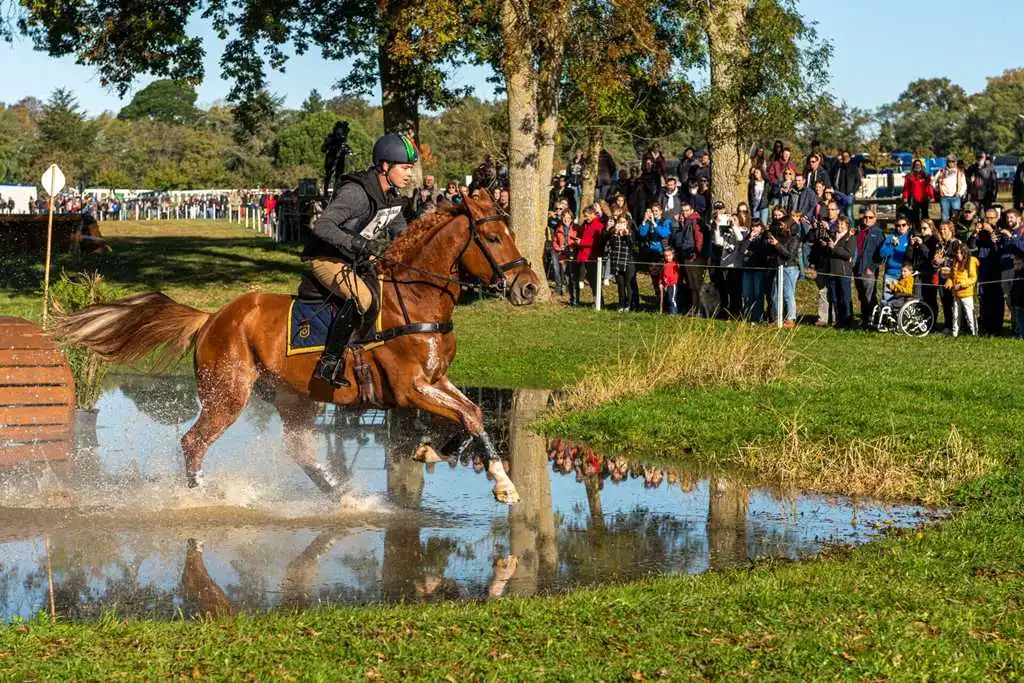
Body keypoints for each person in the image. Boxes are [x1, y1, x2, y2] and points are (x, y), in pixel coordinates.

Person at [303, 133, 417, 386]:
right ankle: (329, 363)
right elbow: (322, 226)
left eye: (411, 168)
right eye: (405, 168)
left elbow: (403, 236)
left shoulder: (392, 197)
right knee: (363, 299)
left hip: (358, 260)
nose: (409, 174)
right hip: (328, 258)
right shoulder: (356, 193)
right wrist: (354, 243)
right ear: (385, 166)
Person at [766, 208, 800, 327]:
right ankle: (777, 318)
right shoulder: (779, 235)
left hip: (789, 268)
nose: (780, 227)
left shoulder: (795, 238)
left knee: (788, 294)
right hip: (778, 266)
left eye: (782, 225)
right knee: (775, 294)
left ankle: (790, 318)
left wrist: (777, 244)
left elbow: (789, 255)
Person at [853, 210, 885, 329]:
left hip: (868, 269)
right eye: (865, 217)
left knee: (870, 295)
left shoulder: (878, 233)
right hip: (857, 267)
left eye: (870, 217)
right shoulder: (858, 231)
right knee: (861, 295)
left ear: (875, 219)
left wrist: (872, 267)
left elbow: (881, 253)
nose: (867, 219)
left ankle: (874, 319)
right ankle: (865, 318)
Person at [824, 215, 855, 329]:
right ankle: (838, 320)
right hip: (832, 271)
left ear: (847, 225)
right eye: (838, 224)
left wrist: (834, 247)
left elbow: (848, 254)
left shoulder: (850, 238)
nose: (839, 226)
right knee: (834, 298)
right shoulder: (833, 236)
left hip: (843, 272)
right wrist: (827, 246)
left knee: (845, 298)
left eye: (842, 224)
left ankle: (847, 321)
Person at [604, 215, 635, 312]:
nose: (621, 224)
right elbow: (609, 246)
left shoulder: (630, 233)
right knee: (620, 285)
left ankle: (628, 304)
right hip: (616, 262)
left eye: (623, 222)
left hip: (627, 262)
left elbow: (632, 246)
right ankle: (621, 303)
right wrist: (614, 233)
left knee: (628, 284)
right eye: (619, 222)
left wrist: (627, 235)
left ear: (627, 223)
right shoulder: (613, 233)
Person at [947, 242, 979, 337]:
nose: (959, 255)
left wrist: (961, 284)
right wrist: (949, 281)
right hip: (956, 293)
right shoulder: (955, 262)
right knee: (956, 314)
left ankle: (974, 333)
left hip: (967, 294)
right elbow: (951, 275)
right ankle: (955, 333)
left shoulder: (971, 262)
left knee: (969, 314)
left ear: (966, 252)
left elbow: (973, 278)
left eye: (961, 252)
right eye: (957, 252)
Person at [879, 217, 911, 303]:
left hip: (905, 276)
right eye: (898, 225)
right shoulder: (890, 238)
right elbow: (882, 254)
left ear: (908, 226)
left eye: (903, 225)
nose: (901, 227)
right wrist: (891, 246)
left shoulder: (910, 238)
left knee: (903, 302)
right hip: (890, 274)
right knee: (888, 300)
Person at [901, 159, 934, 229]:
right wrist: (905, 197)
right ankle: (916, 229)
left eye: (919, 164)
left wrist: (931, 196)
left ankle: (926, 228)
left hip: (924, 197)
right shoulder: (909, 176)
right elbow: (906, 188)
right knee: (915, 215)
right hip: (914, 198)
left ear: (921, 166)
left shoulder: (925, 175)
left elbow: (929, 186)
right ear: (913, 166)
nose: (917, 166)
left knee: (925, 215)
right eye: (916, 164)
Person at [935, 154, 967, 222]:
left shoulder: (959, 172)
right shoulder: (941, 171)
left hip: (955, 197)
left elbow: (964, 185)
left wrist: (959, 193)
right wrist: (938, 190)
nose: (951, 163)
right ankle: (945, 228)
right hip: (944, 198)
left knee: (955, 218)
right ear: (947, 162)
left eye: (953, 161)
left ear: (956, 162)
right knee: (945, 217)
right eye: (949, 161)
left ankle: (954, 228)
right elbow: (933, 182)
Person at [832, 150, 861, 221]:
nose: (845, 158)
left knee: (849, 214)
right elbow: (834, 179)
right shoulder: (838, 167)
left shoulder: (854, 167)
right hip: (839, 195)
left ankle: (852, 227)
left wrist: (853, 192)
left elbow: (858, 181)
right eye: (843, 156)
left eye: (846, 156)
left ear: (850, 157)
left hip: (849, 195)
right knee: (839, 214)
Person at [659, 246, 680, 314]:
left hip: (672, 284)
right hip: (666, 285)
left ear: (673, 255)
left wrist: (669, 282)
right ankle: (669, 311)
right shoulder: (665, 265)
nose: (668, 257)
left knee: (672, 299)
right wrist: (660, 283)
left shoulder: (675, 264)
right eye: (666, 256)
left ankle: (674, 313)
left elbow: (675, 276)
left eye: (669, 256)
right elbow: (661, 275)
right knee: (668, 299)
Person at [1011, 255, 1024, 339]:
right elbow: (1014, 288)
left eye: (1019, 264)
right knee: (1018, 319)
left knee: (1021, 319)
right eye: (1015, 264)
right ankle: (1019, 334)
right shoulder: (1016, 274)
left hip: (1022, 301)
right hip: (1017, 302)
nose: (1016, 266)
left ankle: (1021, 335)